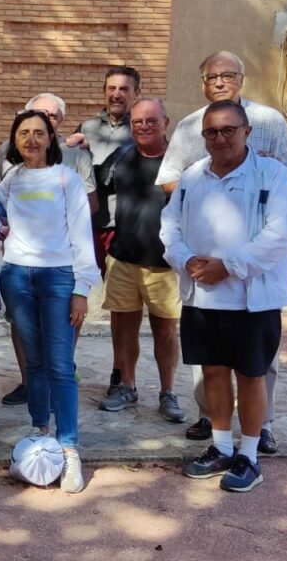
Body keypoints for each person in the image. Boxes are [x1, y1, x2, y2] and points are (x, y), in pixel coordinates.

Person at [156, 51, 287, 453]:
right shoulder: (193, 175)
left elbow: (278, 233)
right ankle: (221, 446)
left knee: (254, 374)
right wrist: (186, 260)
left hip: (252, 296)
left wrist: (230, 265)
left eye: (229, 131)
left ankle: (251, 452)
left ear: (247, 131)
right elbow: (170, 223)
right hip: (203, 294)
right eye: (212, 133)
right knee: (213, 372)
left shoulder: (271, 172)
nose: (220, 138)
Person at [0, 109, 100, 493]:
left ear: (50, 139)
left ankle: (70, 449)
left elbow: (82, 235)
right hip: (17, 277)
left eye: (39, 133)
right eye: (23, 133)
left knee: (60, 364)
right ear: (14, 140)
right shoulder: (11, 179)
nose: (31, 140)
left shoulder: (66, 178)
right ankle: (41, 434)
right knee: (34, 362)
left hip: (58, 278)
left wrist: (81, 289)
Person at [97, 98, 184, 423]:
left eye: (150, 121)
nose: (143, 126)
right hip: (122, 259)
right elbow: (96, 189)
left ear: (166, 122)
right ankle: (126, 386)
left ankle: (168, 392)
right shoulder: (122, 157)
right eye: (137, 122)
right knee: (122, 329)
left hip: (163, 265)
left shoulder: (179, 164)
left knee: (165, 332)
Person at [70, 66, 139, 282]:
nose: (116, 94)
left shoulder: (142, 128)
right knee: (78, 285)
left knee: (120, 293)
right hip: (86, 223)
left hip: (123, 226)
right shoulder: (86, 127)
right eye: (111, 88)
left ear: (136, 93)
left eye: (124, 89)